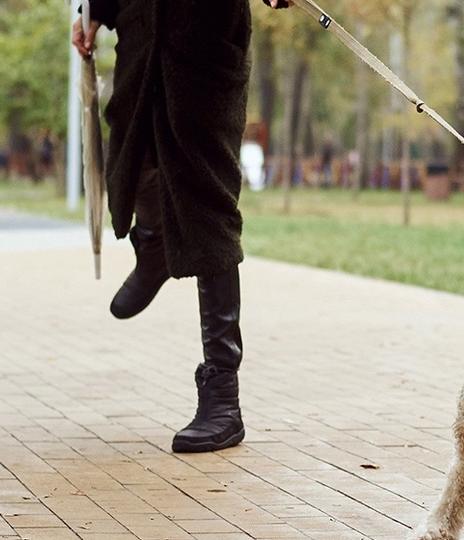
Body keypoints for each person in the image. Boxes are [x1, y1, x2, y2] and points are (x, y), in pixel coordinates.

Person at [73, 0, 290, 453]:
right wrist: (95, 9)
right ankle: (154, 244)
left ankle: (223, 397)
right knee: (131, 166)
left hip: (204, 52)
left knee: (207, 210)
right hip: (140, 39)